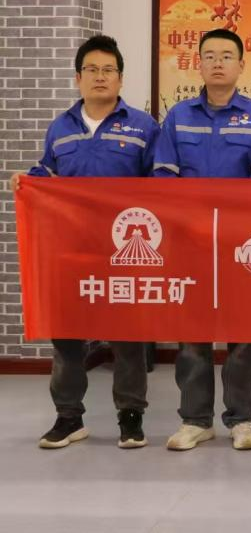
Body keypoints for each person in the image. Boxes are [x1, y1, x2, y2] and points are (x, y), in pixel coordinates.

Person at [11, 35, 159, 450]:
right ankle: (68, 417)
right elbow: (47, 174)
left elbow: (161, 185)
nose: (100, 77)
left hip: (125, 250)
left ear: (120, 78)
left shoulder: (143, 127)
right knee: (67, 336)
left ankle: (131, 417)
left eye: (108, 70)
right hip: (70, 247)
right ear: (78, 78)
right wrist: (27, 181)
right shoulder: (61, 127)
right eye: (92, 70)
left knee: (127, 337)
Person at [153, 28, 251, 451]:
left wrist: (233, 224)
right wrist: (188, 223)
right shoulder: (178, 117)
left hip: (242, 244)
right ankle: (195, 420)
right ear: (199, 64)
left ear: (241, 65)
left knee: (244, 332)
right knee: (193, 332)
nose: (218, 62)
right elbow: (163, 178)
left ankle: (242, 420)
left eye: (227, 56)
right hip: (190, 243)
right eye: (209, 55)